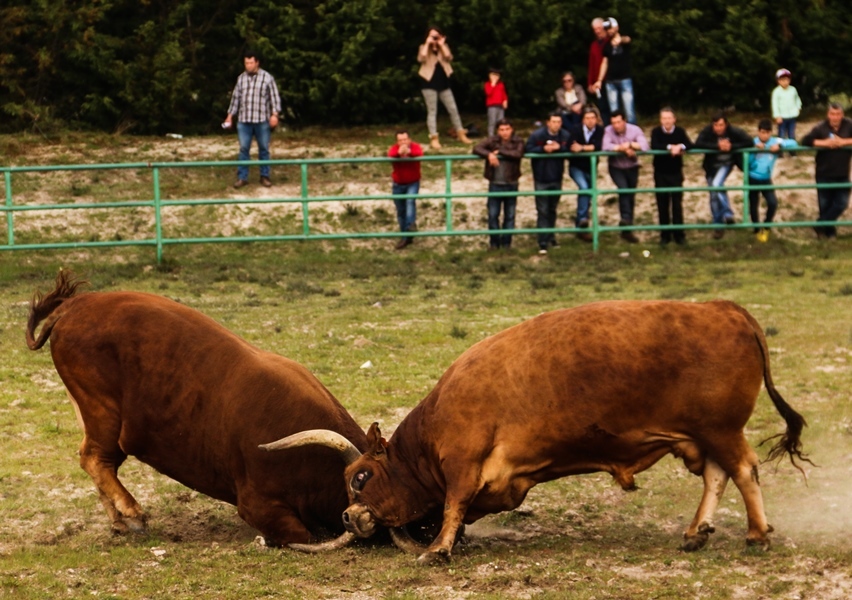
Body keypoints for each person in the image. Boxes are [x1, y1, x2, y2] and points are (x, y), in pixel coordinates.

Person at [223, 50, 282, 189]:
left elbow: (275, 98)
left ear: (257, 62)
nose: (248, 65)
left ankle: (265, 176)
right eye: (246, 63)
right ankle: (242, 177)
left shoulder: (267, 78)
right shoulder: (241, 78)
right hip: (244, 121)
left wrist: (275, 115)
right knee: (244, 149)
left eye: (250, 62)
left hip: (261, 120)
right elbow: (235, 99)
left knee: (263, 148)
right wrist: (230, 116)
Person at [694, 113, 754, 239]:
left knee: (716, 185)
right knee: (713, 195)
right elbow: (698, 143)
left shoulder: (734, 131)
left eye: (721, 125)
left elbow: (749, 142)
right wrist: (718, 146)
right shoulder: (707, 131)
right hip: (711, 167)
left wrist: (732, 146)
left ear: (726, 124)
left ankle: (727, 213)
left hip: (726, 164)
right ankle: (718, 226)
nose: (718, 128)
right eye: (715, 125)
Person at [800, 102, 852, 239]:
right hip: (823, 172)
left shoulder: (849, 125)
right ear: (828, 114)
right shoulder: (820, 127)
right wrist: (825, 143)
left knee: (842, 203)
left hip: (842, 173)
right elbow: (805, 140)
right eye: (832, 114)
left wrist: (844, 142)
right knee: (825, 205)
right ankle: (829, 233)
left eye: (838, 114)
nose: (835, 117)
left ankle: (819, 224)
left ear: (843, 114)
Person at [473, 119, 524, 250]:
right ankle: (494, 243)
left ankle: (507, 243)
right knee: (493, 215)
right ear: (498, 131)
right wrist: (489, 154)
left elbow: (518, 154)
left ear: (512, 129)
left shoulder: (518, 141)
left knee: (510, 215)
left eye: (507, 129)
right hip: (495, 183)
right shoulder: (492, 140)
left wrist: (500, 152)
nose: (505, 132)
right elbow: (476, 148)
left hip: (511, 182)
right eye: (502, 130)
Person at [418, 27, 471, 150]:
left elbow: (449, 57)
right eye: (432, 36)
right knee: (432, 111)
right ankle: (434, 138)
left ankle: (461, 133)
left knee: (453, 109)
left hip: (443, 83)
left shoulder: (443, 47)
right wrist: (427, 43)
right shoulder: (423, 47)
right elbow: (421, 58)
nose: (434, 39)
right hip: (428, 83)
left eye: (436, 36)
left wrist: (441, 45)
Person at [525, 112, 571, 254]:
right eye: (554, 121)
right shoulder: (537, 135)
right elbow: (527, 149)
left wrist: (560, 148)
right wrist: (542, 149)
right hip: (541, 178)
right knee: (542, 210)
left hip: (557, 177)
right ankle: (542, 241)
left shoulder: (564, 135)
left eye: (558, 121)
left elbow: (571, 147)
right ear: (548, 122)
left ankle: (551, 237)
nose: (556, 124)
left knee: (552, 209)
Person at [748, 119, 798, 242]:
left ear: (771, 133)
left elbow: (794, 143)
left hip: (766, 179)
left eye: (767, 133)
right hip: (752, 177)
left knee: (773, 203)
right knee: (753, 205)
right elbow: (746, 163)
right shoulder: (753, 142)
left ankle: (766, 226)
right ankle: (756, 229)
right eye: (762, 132)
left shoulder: (775, 141)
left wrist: (780, 146)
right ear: (758, 132)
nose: (764, 135)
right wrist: (754, 151)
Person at [602, 110, 648, 243]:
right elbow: (605, 146)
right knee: (623, 190)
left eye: (618, 122)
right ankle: (626, 219)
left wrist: (631, 145)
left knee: (630, 196)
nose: (616, 125)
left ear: (624, 121)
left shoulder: (635, 130)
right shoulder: (608, 130)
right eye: (613, 123)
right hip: (616, 167)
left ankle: (627, 228)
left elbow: (645, 146)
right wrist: (621, 148)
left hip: (632, 167)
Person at [650, 107, 693, 246]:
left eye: (669, 118)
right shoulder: (655, 132)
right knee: (662, 205)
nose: (667, 121)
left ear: (674, 119)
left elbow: (690, 144)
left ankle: (679, 235)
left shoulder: (680, 131)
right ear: (660, 120)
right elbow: (655, 145)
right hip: (660, 173)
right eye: (664, 118)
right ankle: (665, 236)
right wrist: (670, 147)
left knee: (676, 205)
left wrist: (680, 146)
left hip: (675, 173)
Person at [568, 106, 605, 242]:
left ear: (596, 119)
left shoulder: (600, 130)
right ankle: (582, 219)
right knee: (584, 188)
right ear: (583, 119)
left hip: (591, 167)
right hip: (576, 166)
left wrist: (583, 148)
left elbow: (600, 145)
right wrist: (589, 148)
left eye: (592, 118)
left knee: (589, 193)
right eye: (587, 118)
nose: (590, 121)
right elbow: (571, 146)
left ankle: (581, 226)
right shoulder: (575, 129)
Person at [592, 18, 636, 124]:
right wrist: (599, 80)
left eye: (610, 28)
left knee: (629, 109)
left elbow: (628, 39)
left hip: (625, 79)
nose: (609, 31)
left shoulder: (624, 42)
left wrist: (620, 40)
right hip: (610, 81)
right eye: (607, 29)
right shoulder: (607, 46)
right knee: (614, 111)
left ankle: (633, 133)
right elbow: (604, 63)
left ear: (616, 27)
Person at [387, 130, 424, 250]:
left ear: (409, 140)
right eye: (400, 140)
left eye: (405, 139)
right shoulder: (394, 148)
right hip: (398, 183)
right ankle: (405, 236)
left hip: (413, 182)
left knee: (410, 201)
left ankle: (410, 227)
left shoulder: (415, 147)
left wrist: (409, 152)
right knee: (400, 210)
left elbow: (419, 153)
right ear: (397, 141)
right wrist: (399, 153)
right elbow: (390, 155)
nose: (403, 142)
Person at [587, 18, 611, 126]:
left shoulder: (610, 42)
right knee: (603, 107)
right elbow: (591, 65)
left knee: (614, 106)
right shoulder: (593, 45)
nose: (597, 31)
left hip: (611, 79)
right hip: (598, 83)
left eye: (599, 28)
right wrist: (590, 83)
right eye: (595, 29)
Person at [771, 68, 802, 146]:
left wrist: (798, 107)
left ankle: (792, 151)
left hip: (792, 116)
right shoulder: (776, 92)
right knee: (781, 134)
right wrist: (777, 116)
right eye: (783, 80)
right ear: (778, 81)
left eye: (787, 80)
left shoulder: (793, 89)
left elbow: (797, 99)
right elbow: (775, 104)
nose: (785, 82)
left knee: (791, 134)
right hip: (782, 117)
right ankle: (780, 151)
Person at [484, 68, 509, 137]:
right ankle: (491, 136)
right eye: (493, 75)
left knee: (501, 121)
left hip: (500, 105)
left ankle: (500, 136)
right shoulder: (487, 84)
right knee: (492, 121)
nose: (495, 77)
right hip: (492, 106)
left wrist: (505, 101)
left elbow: (504, 94)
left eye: (497, 76)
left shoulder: (501, 84)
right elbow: (488, 93)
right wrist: (493, 84)